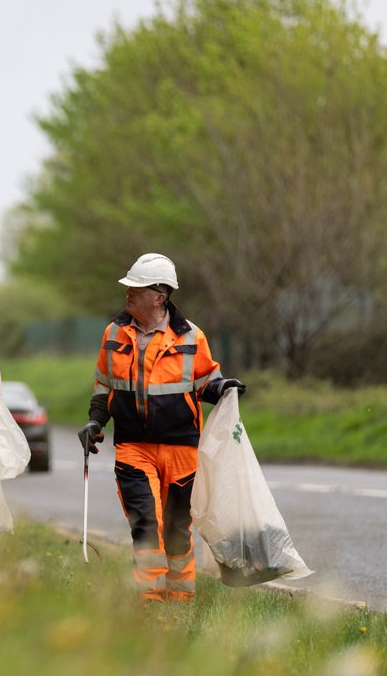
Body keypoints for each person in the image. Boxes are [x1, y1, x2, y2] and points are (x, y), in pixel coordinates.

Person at [78, 253, 245, 602]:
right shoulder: (113, 334)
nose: (128, 293)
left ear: (158, 296)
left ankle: (181, 599)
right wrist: (95, 421)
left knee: (176, 531)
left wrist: (225, 387)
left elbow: (205, 381)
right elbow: (104, 386)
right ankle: (151, 600)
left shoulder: (191, 336)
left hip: (181, 450)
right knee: (146, 524)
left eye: (135, 288)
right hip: (132, 447)